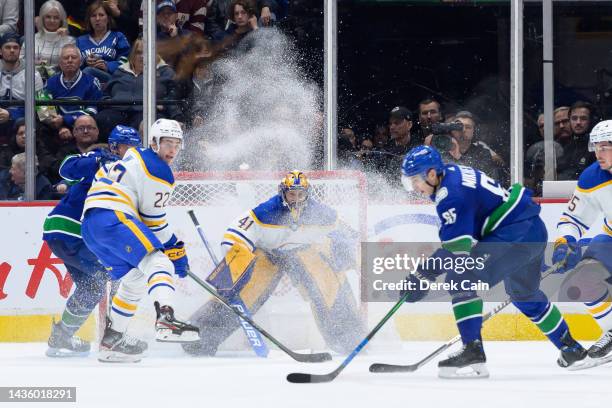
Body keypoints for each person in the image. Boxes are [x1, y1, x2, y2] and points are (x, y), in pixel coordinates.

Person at [399, 145, 586, 378]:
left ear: (430, 174)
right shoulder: (453, 172)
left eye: (415, 180)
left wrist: (422, 274)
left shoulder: (451, 196)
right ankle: (571, 347)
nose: (414, 188)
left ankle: (472, 350)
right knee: (524, 294)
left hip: (514, 236)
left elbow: (457, 250)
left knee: (461, 276)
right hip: (532, 230)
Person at [182, 170, 365, 356]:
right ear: (283, 193)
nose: (296, 199)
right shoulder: (266, 211)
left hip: (304, 252)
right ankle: (200, 336)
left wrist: (350, 253)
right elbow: (235, 233)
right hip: (269, 254)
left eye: (300, 194)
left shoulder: (322, 213)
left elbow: (346, 233)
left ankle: (350, 338)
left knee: (327, 281)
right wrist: (236, 258)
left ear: (307, 194)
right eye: (291, 194)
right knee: (244, 288)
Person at [81, 118, 199, 363]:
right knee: (160, 263)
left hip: (92, 226)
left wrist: (174, 248)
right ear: (154, 143)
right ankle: (166, 319)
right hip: (113, 217)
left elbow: (144, 218)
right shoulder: (159, 171)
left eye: (177, 144)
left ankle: (112, 340)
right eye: (167, 143)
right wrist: (176, 248)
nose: (172, 150)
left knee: (135, 279)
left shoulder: (135, 156)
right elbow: (154, 222)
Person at [43, 125, 141, 357]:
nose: (131, 152)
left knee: (93, 287)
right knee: (116, 273)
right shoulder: (100, 160)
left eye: (135, 148)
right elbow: (66, 168)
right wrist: (96, 161)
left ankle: (62, 336)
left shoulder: (132, 172)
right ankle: (114, 336)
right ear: (114, 146)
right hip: (72, 231)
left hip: (72, 236)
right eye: (127, 147)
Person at [551, 119, 612, 363]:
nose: (599, 152)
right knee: (580, 281)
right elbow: (573, 218)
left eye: (606, 146)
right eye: (596, 146)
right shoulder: (592, 177)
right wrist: (565, 240)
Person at [75, 0, 131, 83]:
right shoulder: (80, 40)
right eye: (93, 16)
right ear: (89, 19)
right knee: (87, 71)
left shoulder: (118, 37)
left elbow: (126, 62)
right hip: (86, 77)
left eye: (101, 15)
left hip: (110, 79)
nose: (97, 19)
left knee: (89, 71)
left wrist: (106, 65)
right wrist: (85, 62)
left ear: (108, 18)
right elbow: (74, 64)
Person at [20, 1, 75, 82]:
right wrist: (32, 63)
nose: (52, 20)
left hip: (59, 82)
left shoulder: (70, 41)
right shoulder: (31, 39)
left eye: (56, 17)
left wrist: (63, 39)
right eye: (48, 17)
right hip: (31, 82)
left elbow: (71, 65)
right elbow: (19, 62)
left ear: (61, 20)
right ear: (42, 18)